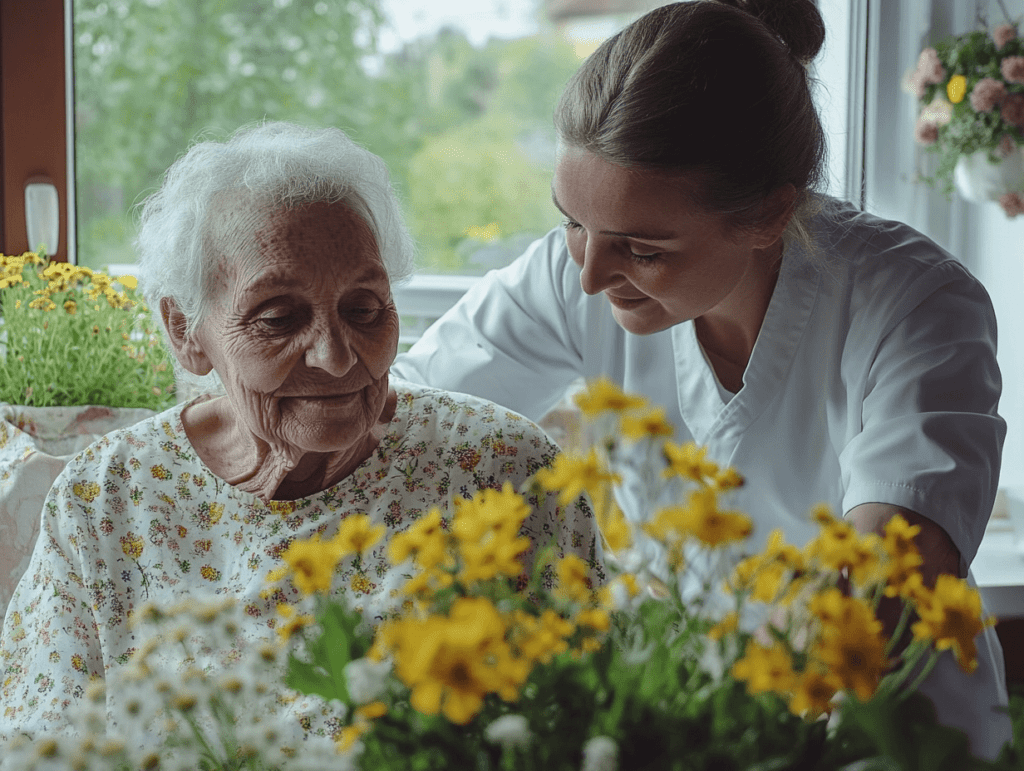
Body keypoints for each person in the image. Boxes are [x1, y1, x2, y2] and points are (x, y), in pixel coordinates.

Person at [392, 0, 1012, 760]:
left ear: (768, 214)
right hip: (685, 727)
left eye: (643, 249)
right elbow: (403, 418)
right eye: (572, 222)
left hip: (885, 733)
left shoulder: (913, 303)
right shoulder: (575, 273)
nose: (589, 276)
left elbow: (886, 583)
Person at [0, 121, 603, 743]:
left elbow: (599, 726)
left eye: (364, 309)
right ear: (185, 331)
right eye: (280, 316)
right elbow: (38, 744)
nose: (337, 357)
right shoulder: (106, 498)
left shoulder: (503, 471)